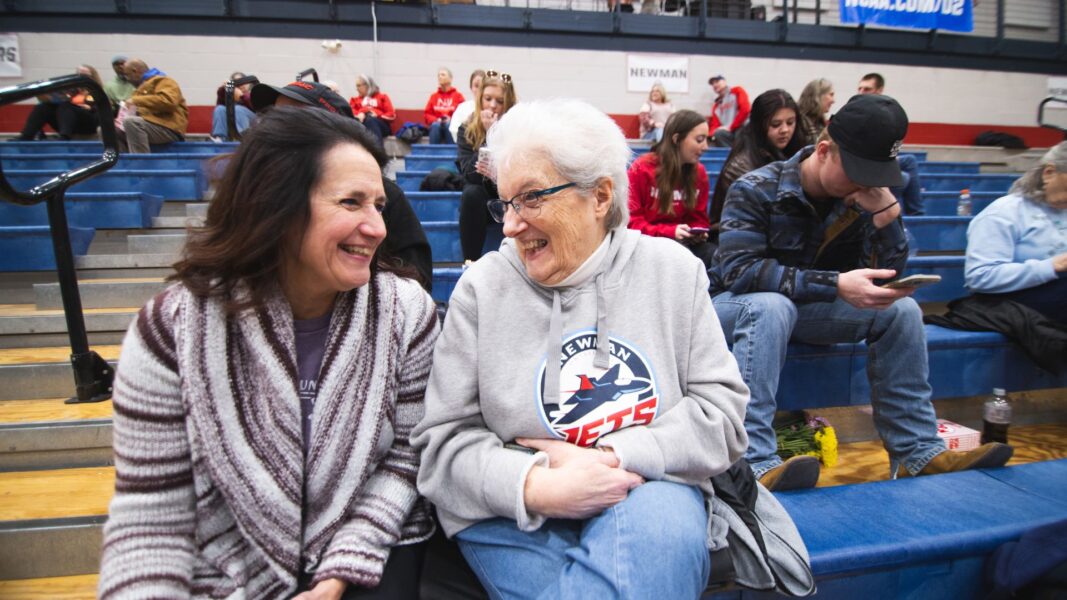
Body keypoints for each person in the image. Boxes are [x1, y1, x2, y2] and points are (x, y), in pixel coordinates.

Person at [97, 107, 439, 599]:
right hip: (225, 566)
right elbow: (151, 517)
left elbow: (406, 460)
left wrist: (337, 573)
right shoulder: (171, 329)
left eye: (379, 205)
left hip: (367, 549)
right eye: (351, 202)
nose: (378, 227)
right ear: (278, 208)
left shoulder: (405, 313)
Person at [413, 98, 749, 598]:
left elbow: (721, 418)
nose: (509, 225)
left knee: (657, 538)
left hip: (649, 488)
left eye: (530, 198)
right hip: (509, 512)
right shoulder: (482, 288)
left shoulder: (673, 272)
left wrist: (614, 455)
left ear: (600, 196)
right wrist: (537, 483)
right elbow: (441, 448)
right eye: (505, 202)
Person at [709, 94, 1013, 491]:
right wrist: (833, 284)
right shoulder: (755, 188)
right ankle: (752, 461)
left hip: (805, 310)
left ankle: (919, 452)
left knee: (901, 313)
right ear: (823, 151)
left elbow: (884, 277)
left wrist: (888, 220)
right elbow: (740, 272)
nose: (867, 184)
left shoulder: (861, 199)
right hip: (735, 308)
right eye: (858, 172)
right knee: (771, 306)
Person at [251, 80, 433, 290]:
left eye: (294, 120)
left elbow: (417, 278)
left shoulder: (385, 193)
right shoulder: (253, 196)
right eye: (273, 117)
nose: (375, 229)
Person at [964, 142, 1067, 323]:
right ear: (1049, 173)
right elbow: (980, 277)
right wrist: (1051, 266)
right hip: (1013, 304)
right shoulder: (1005, 211)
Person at [627, 109, 715, 267]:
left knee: (716, 256)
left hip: (684, 245)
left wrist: (696, 231)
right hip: (647, 246)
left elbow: (699, 217)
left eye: (707, 139)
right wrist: (670, 232)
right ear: (676, 139)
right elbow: (631, 223)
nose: (706, 147)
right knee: (678, 258)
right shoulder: (641, 168)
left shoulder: (699, 172)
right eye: (699, 140)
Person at [710, 89, 807, 230]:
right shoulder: (741, 166)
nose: (785, 130)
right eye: (775, 124)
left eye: (791, 122)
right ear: (759, 125)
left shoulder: (797, 151)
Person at [455, 70, 517, 261]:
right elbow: (469, 174)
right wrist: (489, 138)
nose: (492, 105)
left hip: (512, 197)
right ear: (480, 98)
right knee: (471, 193)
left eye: (499, 101)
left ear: (508, 102)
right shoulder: (466, 128)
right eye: (488, 98)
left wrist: (494, 132)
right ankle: (470, 262)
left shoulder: (518, 127)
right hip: (484, 200)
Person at [856, 73, 923, 214]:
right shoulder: (856, 112)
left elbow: (896, 141)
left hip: (878, 160)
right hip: (859, 163)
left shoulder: (887, 113)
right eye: (860, 88)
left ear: (879, 90)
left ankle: (916, 214)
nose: (861, 93)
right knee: (903, 177)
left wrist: (889, 157)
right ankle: (898, 216)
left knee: (910, 161)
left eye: (866, 89)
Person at [116, 59, 188, 154]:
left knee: (131, 122)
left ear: (135, 71)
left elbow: (169, 101)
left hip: (169, 128)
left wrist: (136, 100)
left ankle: (141, 164)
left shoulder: (165, 81)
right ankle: (122, 164)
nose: (127, 79)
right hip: (149, 127)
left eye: (127, 75)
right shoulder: (140, 88)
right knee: (108, 130)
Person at [17, 64, 101, 141]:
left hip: (87, 120)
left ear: (92, 77)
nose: (81, 78)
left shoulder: (96, 91)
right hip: (67, 118)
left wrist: (89, 107)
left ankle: (64, 136)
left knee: (66, 105)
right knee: (43, 107)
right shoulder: (70, 90)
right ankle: (27, 135)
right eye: (78, 75)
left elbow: (98, 109)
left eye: (85, 76)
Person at [349, 74, 396, 145]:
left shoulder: (382, 97)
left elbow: (391, 115)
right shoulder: (354, 100)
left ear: (367, 85)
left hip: (381, 126)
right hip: (362, 125)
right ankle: (378, 152)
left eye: (358, 86)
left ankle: (377, 152)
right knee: (368, 121)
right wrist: (363, 112)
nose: (356, 88)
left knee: (371, 120)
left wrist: (377, 114)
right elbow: (351, 113)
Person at [209, 71, 255, 142]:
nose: (241, 85)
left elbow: (256, 107)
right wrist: (224, 89)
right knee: (220, 109)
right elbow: (220, 103)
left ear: (248, 84)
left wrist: (242, 96)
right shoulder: (230, 94)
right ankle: (220, 138)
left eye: (242, 82)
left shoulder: (252, 93)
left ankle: (241, 139)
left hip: (253, 123)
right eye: (237, 83)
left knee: (238, 109)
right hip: (232, 123)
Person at [424, 67, 464, 144]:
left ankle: (452, 154)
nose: (440, 77)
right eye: (438, 75)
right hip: (437, 124)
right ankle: (433, 154)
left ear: (450, 78)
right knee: (435, 126)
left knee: (449, 125)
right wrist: (437, 120)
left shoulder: (458, 96)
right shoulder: (434, 96)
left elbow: (462, 115)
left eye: (443, 75)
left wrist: (451, 119)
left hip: (451, 125)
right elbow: (427, 114)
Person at [708, 74, 750, 147]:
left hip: (740, 128)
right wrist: (709, 136)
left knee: (744, 127)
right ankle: (732, 156)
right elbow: (715, 125)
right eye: (712, 83)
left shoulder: (737, 91)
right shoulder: (716, 106)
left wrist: (731, 127)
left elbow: (745, 110)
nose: (714, 85)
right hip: (729, 133)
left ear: (724, 81)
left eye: (717, 81)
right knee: (717, 134)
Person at [449, 69, 485, 143]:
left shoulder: (494, 107)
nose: (479, 89)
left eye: (483, 86)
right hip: (466, 149)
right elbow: (454, 129)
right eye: (476, 86)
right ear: (471, 87)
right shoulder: (462, 108)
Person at [797, 78, 835, 143]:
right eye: (831, 95)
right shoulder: (798, 123)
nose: (833, 101)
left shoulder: (820, 123)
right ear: (818, 96)